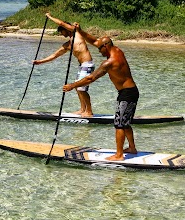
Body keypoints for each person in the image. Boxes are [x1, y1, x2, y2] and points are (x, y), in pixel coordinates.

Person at [63, 24, 139, 161]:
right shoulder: (117, 50)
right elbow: (95, 41)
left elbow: (90, 78)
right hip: (130, 92)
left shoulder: (109, 63)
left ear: (106, 46)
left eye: (100, 49)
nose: (98, 51)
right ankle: (132, 148)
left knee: (119, 124)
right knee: (125, 122)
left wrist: (72, 85)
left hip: (127, 94)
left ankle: (119, 155)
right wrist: (80, 31)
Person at [33, 13, 95, 117]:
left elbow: (61, 22)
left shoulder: (77, 33)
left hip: (87, 64)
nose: (61, 34)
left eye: (61, 31)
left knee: (81, 88)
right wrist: (40, 61)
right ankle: (82, 109)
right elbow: (54, 55)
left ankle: (89, 111)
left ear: (66, 29)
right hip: (82, 66)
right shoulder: (67, 45)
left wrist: (49, 17)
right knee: (77, 87)